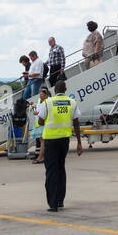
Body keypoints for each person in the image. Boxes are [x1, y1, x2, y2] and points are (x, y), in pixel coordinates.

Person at [35, 80, 82, 212]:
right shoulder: (72, 102)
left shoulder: (48, 102)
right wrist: (79, 142)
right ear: (65, 89)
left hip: (51, 140)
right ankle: (60, 200)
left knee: (51, 171)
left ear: (54, 90)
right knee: (61, 169)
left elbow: (40, 120)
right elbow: (76, 123)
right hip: (64, 140)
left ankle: (53, 203)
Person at [29, 85, 50, 162]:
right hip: (39, 123)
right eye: (40, 94)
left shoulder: (47, 102)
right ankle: (41, 156)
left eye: (42, 94)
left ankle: (40, 157)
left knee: (42, 142)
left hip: (43, 123)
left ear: (46, 94)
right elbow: (39, 107)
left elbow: (43, 112)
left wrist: (37, 113)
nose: (40, 96)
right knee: (41, 141)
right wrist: (34, 105)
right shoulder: (41, 101)